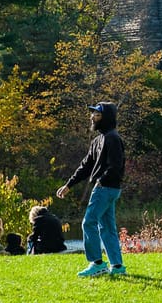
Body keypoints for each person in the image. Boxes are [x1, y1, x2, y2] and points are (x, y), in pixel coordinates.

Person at [56, 101, 126, 277]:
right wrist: (69, 185)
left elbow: (116, 166)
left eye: (97, 114)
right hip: (108, 188)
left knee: (88, 222)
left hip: (105, 188)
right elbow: (85, 166)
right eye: (93, 114)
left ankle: (97, 263)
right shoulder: (98, 140)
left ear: (106, 117)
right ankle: (117, 267)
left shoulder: (113, 138)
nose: (92, 117)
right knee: (107, 228)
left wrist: (101, 181)